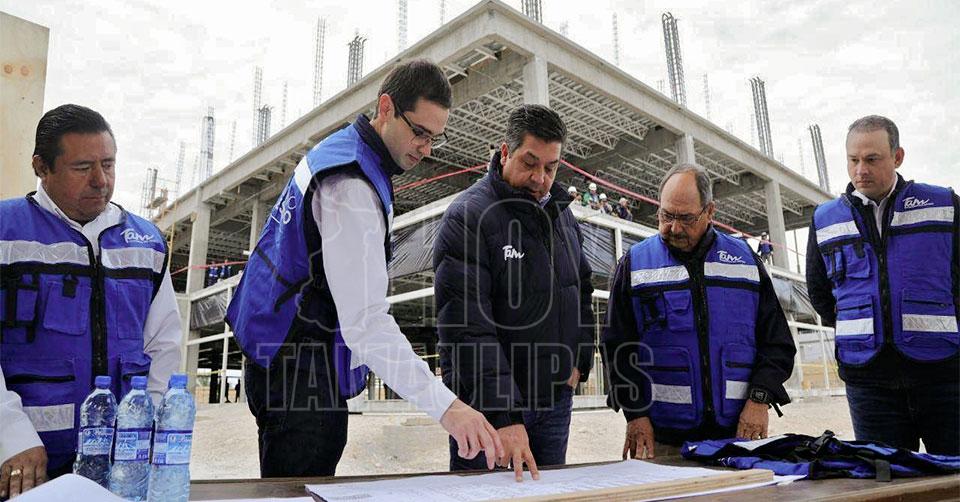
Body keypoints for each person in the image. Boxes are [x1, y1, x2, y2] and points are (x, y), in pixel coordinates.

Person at [225, 59, 503, 478]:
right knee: (303, 481)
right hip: (296, 360)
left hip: (279, 346)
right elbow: (367, 323)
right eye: (419, 132)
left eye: (434, 138)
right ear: (386, 108)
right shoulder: (351, 184)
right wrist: (448, 407)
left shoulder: (342, 150)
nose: (426, 149)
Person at [0, 104, 182, 497]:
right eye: (82, 167)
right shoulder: (5, 231)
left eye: (108, 165)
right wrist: (9, 434)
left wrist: (145, 433)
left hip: (117, 465)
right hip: (21, 463)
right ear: (41, 167)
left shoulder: (146, 243)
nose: (101, 180)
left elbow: (163, 346)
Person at [434, 104, 595, 481]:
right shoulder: (468, 216)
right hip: (487, 415)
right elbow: (467, 329)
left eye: (551, 167)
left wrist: (579, 363)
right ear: (505, 152)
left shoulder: (562, 216)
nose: (540, 178)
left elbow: (581, 290)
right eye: (530, 163)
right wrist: (503, 414)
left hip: (554, 404)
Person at [602, 163, 796, 459]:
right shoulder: (636, 263)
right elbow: (617, 346)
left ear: (710, 212)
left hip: (738, 435)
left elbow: (777, 344)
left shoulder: (745, 262)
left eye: (686, 218)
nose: (674, 228)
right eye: (666, 216)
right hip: (664, 440)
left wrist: (760, 399)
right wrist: (635, 414)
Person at [806, 115, 959, 455]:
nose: (861, 170)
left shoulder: (944, 205)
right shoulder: (824, 219)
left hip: (944, 377)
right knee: (885, 476)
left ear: (897, 157)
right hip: (869, 383)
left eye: (872, 159)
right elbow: (819, 293)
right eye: (853, 160)